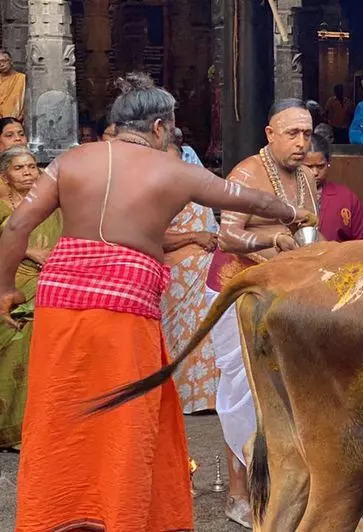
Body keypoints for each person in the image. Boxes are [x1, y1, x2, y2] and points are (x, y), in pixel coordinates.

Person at [0, 72, 316, 532]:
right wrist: (294, 213)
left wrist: (6, 288)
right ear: (161, 128)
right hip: (125, 307)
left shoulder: (70, 161)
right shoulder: (175, 170)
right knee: (128, 418)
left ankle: (59, 516)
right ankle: (119, 516)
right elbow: (242, 197)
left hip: (59, 301)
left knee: (59, 411)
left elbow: (16, 227)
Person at [205, 98, 321, 527]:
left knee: (284, 392)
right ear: (270, 134)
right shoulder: (247, 173)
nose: (301, 141)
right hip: (238, 290)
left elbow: (309, 229)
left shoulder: (307, 176)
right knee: (242, 391)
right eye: (292, 133)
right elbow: (227, 234)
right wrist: (272, 243)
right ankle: (239, 492)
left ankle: (281, 485)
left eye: (307, 133)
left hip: (284, 292)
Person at [0, 147, 61, 450]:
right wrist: (26, 249)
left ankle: (42, 426)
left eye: (31, 166)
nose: (26, 172)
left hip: (49, 285)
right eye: (18, 168)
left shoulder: (52, 207)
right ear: (5, 176)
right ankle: (12, 429)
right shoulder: (0, 207)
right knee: (18, 340)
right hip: (11, 286)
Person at [162, 128, 221, 413]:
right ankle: (179, 398)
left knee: (206, 331)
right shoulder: (153, 192)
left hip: (203, 270)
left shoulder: (192, 185)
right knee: (176, 337)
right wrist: (193, 237)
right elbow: (151, 235)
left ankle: (206, 400)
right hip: (172, 275)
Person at [304, 133, 363, 241]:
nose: (315, 172)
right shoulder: (284, 194)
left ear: (328, 163)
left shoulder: (345, 198)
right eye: (309, 167)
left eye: (320, 166)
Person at [0, 50, 26, 121]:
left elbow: (27, 101)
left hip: (16, 120)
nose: (1, 65)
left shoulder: (22, 78)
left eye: (4, 61)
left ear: (11, 61)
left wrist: (22, 116)